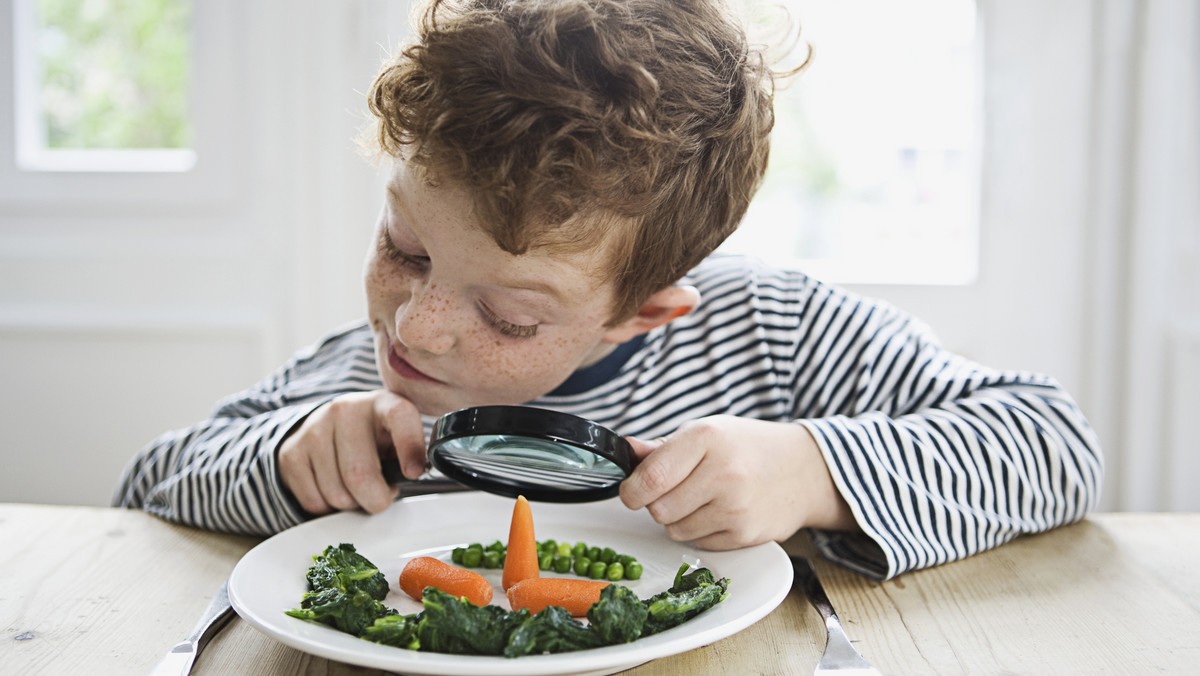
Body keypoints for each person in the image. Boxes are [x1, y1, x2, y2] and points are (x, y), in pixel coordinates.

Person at [114, 0, 1102, 580]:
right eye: (403, 246)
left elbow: (1053, 444)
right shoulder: (367, 381)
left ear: (646, 310)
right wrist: (285, 464)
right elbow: (145, 488)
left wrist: (812, 472)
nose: (419, 326)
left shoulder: (777, 336)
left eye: (510, 314)